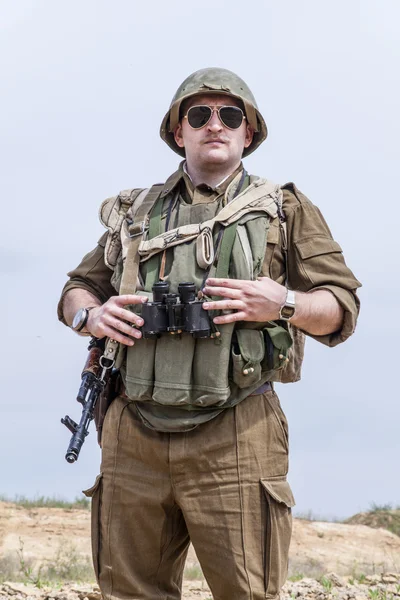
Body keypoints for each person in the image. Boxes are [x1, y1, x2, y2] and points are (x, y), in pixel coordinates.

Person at [58, 67, 361, 600]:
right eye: (199, 115)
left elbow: (340, 307)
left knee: (246, 592)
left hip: (237, 431)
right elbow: (77, 289)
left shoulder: (284, 210)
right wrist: (91, 316)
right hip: (134, 431)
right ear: (180, 132)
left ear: (249, 133)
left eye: (229, 115)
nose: (214, 125)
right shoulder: (136, 212)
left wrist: (283, 301)